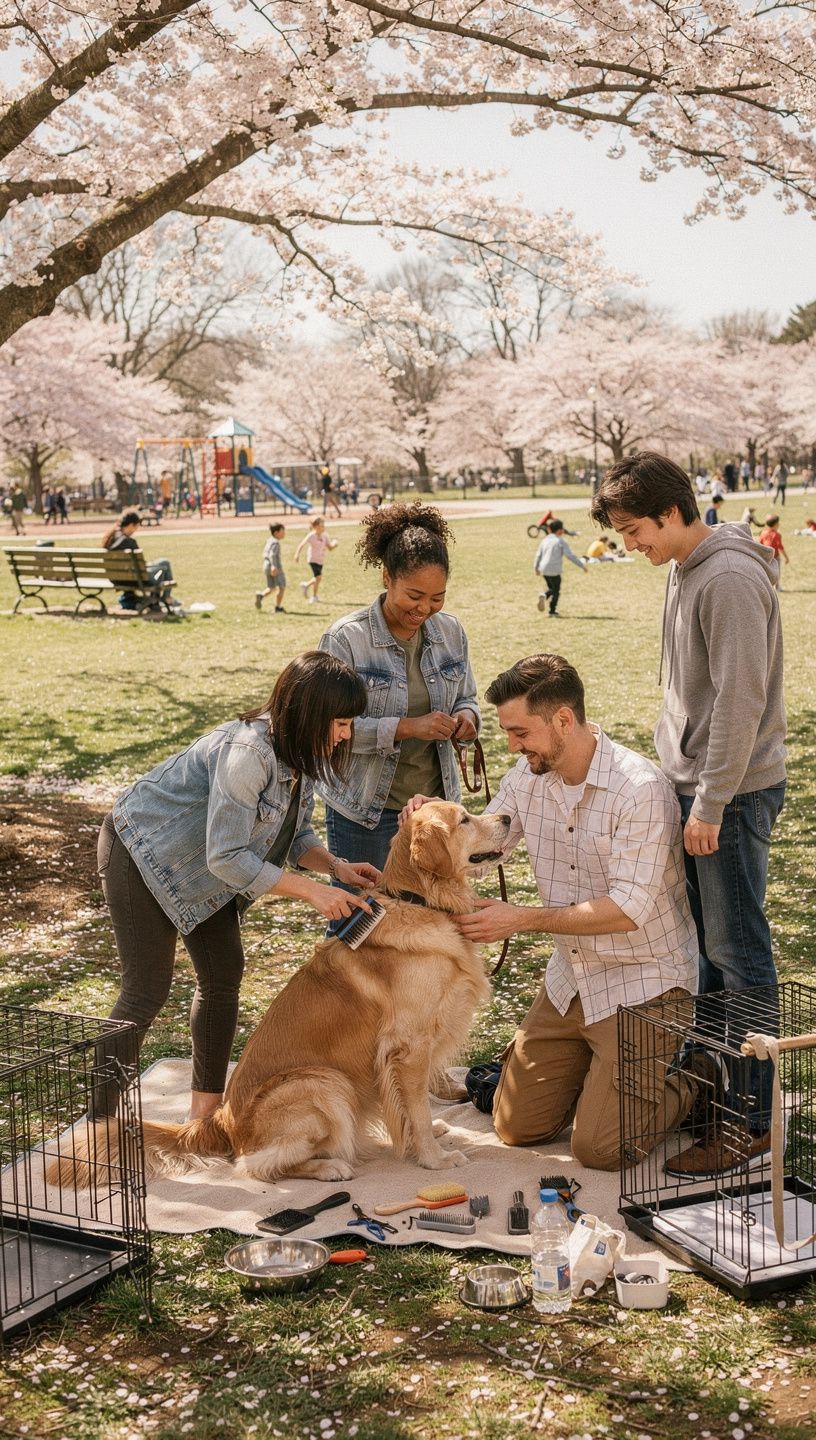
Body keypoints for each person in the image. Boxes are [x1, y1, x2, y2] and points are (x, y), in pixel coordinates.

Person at [404, 654, 699, 1171]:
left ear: (563, 720)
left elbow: (628, 910)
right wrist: (438, 822)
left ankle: (696, 1077)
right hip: (573, 979)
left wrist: (521, 918)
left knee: (601, 1150)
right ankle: (600, 1077)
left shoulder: (641, 790)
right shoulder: (528, 775)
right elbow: (488, 845)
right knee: (515, 1127)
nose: (512, 747)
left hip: (646, 981)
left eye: (520, 733)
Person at [591, 452, 786, 1177]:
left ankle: (754, 1122)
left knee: (739, 956)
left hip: (727, 797)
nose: (628, 543)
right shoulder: (684, 566)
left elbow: (740, 702)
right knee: (705, 956)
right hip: (698, 790)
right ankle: (717, 1096)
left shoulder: (729, 577)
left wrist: (708, 801)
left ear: (673, 513)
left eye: (635, 529)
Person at [96, 652, 380, 1120]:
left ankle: (203, 1121)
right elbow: (226, 856)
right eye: (342, 722)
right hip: (141, 853)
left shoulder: (301, 751)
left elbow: (293, 834)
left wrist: (336, 867)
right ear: (308, 715)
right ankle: (100, 1122)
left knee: (223, 975)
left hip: (209, 870)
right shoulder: (247, 755)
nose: (347, 734)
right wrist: (313, 892)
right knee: (146, 989)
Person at [316, 502, 480, 872]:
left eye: (437, 598)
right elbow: (327, 730)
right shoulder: (347, 639)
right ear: (387, 577)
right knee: (363, 917)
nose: (424, 608)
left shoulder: (451, 632)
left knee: (435, 916)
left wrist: (467, 718)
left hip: (436, 811)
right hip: (365, 811)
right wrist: (408, 727)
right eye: (414, 595)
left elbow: (467, 696)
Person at [101, 510, 180, 611]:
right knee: (165, 564)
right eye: (136, 527)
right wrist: (149, 565)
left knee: (162, 566)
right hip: (135, 579)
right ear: (130, 525)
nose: (135, 530)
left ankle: (155, 600)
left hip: (116, 579)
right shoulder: (129, 542)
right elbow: (142, 566)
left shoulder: (110, 539)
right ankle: (163, 598)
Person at [534, 519, 587, 615]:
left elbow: (538, 555)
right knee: (556, 591)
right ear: (561, 530)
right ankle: (552, 610)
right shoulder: (561, 541)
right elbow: (570, 556)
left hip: (543, 569)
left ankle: (544, 596)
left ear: (549, 529)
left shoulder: (544, 540)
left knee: (552, 587)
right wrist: (581, 565)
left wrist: (536, 567)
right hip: (554, 569)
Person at [295, 516, 338, 604]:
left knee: (317, 579)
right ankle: (313, 596)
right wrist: (297, 554)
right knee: (318, 577)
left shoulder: (325, 535)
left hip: (320, 560)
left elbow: (330, 548)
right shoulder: (311, 535)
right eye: (322, 525)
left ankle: (307, 586)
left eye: (324, 525)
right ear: (316, 527)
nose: (324, 526)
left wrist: (334, 543)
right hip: (312, 559)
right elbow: (301, 545)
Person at [256, 522, 287, 612]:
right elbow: (272, 555)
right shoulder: (276, 543)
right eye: (282, 531)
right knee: (282, 587)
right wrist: (274, 566)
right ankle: (278, 607)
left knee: (271, 587)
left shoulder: (269, 540)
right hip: (275, 567)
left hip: (266, 565)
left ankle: (261, 596)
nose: (284, 533)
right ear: (276, 533)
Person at [758, 513, 790, 587]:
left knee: (766, 572)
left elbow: (760, 544)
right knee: (777, 572)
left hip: (765, 557)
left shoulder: (763, 533)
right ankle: (777, 587)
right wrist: (786, 558)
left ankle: (767, 586)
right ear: (776, 524)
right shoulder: (776, 535)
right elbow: (780, 547)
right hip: (775, 557)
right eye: (778, 523)